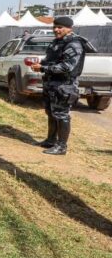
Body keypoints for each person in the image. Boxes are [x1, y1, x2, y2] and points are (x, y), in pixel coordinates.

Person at [30, 17, 95, 155]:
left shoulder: (74, 44)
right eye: (54, 27)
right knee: (51, 113)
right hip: (52, 84)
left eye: (60, 27)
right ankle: (50, 140)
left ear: (69, 28)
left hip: (65, 85)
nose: (56, 30)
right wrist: (40, 64)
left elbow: (67, 67)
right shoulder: (58, 42)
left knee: (62, 115)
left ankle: (62, 146)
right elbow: (50, 60)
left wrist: (43, 68)